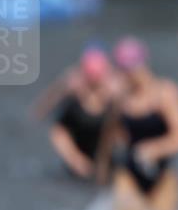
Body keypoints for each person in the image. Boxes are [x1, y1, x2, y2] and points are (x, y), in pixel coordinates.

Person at [98, 36, 178, 210]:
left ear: (142, 64)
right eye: (123, 70)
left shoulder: (165, 92)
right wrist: (103, 168)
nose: (128, 75)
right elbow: (109, 133)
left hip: (163, 175)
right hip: (129, 174)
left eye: (130, 69)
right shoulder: (120, 97)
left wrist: (154, 148)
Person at [31, 45, 117, 181]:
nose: (94, 87)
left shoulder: (114, 88)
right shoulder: (75, 85)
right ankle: (79, 162)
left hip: (106, 150)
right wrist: (75, 160)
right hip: (80, 146)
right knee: (61, 131)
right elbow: (58, 129)